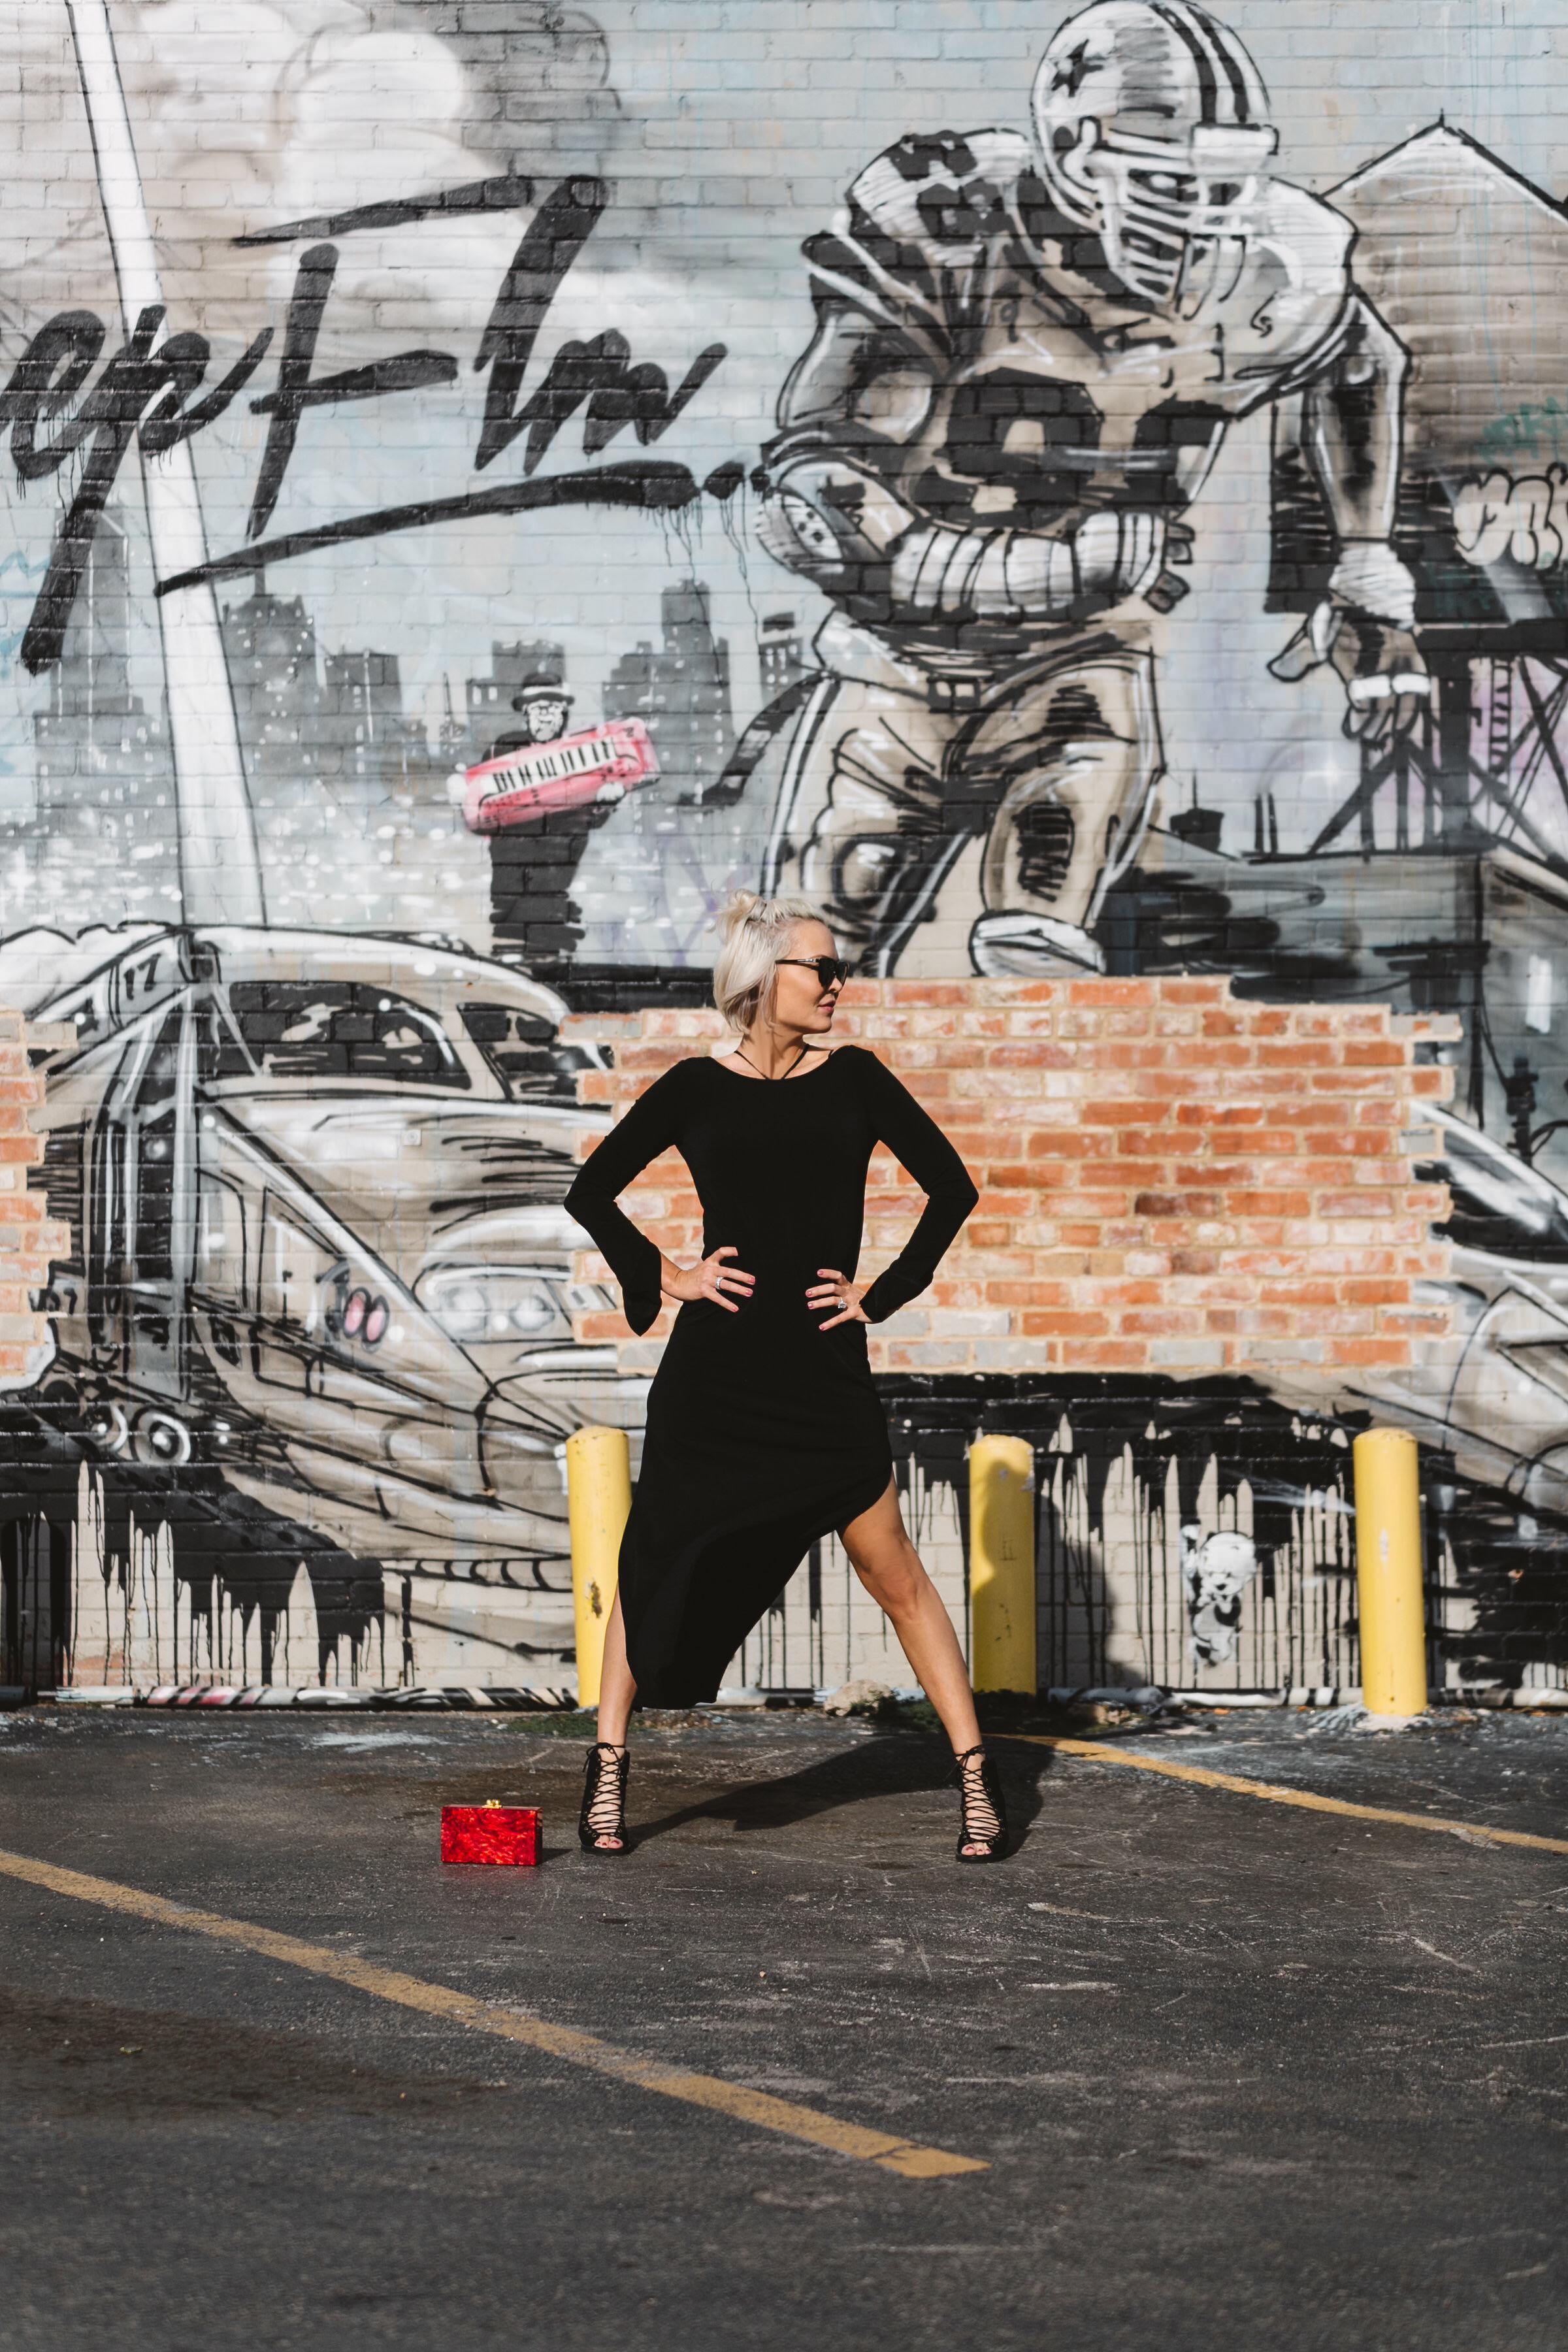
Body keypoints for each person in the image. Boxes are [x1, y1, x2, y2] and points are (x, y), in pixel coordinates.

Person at [562, 889, 1007, 1863]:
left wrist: (878, 1296)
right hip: (715, 1377)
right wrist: (669, 1276)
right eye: (823, 968)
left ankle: (978, 1782)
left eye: (840, 969)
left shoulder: (856, 1079)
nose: (839, 984)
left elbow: (953, 1187)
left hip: (820, 1377)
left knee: (897, 1577)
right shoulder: (694, 1086)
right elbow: (590, 1191)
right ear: (766, 980)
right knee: (655, 1566)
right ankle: (606, 1770)